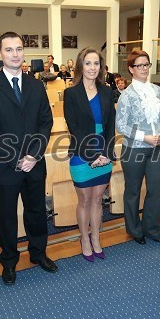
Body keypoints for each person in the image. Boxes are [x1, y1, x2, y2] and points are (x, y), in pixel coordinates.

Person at [0, 31, 56, 285]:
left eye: (19, 49)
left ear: (24, 52)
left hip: (35, 164)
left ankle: (38, 253)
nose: (15, 54)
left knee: (36, 211)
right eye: (9, 50)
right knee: (7, 216)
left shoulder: (36, 85)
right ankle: (9, 262)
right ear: (0, 53)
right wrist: (16, 158)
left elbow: (46, 122)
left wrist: (33, 155)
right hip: (6, 165)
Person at [63, 47, 115, 262]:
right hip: (81, 152)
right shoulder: (71, 93)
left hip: (104, 151)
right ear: (80, 66)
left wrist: (106, 153)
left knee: (97, 200)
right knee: (84, 200)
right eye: (88, 63)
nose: (92, 68)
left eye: (96, 63)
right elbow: (74, 127)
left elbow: (111, 125)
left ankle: (96, 238)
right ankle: (84, 238)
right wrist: (92, 155)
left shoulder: (107, 91)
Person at [115, 49, 160, 245]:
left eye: (147, 64)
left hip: (157, 146)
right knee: (133, 191)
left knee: (156, 188)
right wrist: (144, 137)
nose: (144, 68)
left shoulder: (157, 90)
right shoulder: (126, 95)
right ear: (131, 69)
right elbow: (120, 125)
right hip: (134, 148)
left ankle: (152, 229)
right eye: (139, 65)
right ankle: (135, 230)